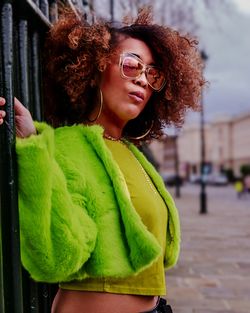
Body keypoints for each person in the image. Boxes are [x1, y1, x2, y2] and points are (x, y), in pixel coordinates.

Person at [0, 6, 204, 313]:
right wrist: (31, 146)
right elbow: (56, 256)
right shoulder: (68, 145)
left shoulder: (132, 154)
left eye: (152, 73)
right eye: (132, 65)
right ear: (95, 68)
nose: (143, 81)